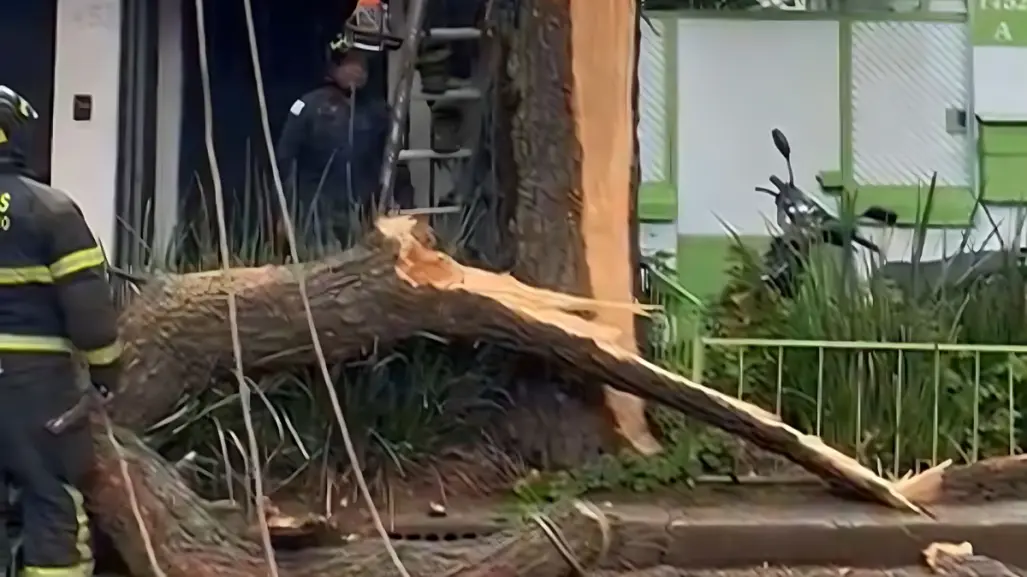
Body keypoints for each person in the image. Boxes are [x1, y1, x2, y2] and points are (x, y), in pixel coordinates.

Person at [0, 85, 122, 577]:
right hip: (36, 384)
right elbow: (89, 309)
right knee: (51, 497)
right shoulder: (51, 210)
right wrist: (106, 372)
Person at [275, 30, 413, 249]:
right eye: (352, 63)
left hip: (363, 210)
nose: (359, 70)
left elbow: (397, 163)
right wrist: (285, 211)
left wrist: (402, 203)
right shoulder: (308, 107)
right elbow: (286, 159)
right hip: (316, 213)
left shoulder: (379, 111)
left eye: (363, 64)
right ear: (334, 66)